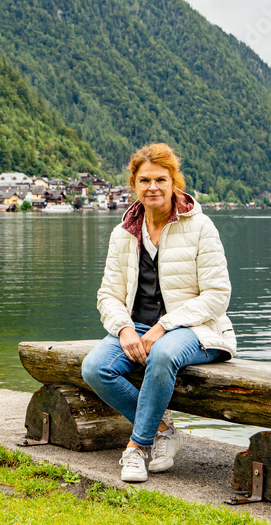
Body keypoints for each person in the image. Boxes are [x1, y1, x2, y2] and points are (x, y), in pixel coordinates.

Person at [81, 143, 237, 482]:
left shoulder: (201, 227)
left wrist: (164, 326)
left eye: (161, 180)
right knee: (95, 368)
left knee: (162, 355)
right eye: (145, 180)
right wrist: (123, 329)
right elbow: (108, 294)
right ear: (134, 185)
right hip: (136, 324)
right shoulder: (123, 234)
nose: (153, 187)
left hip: (196, 329)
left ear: (174, 183)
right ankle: (164, 430)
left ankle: (136, 448)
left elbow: (217, 296)